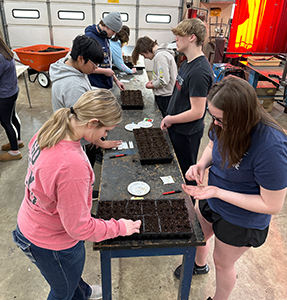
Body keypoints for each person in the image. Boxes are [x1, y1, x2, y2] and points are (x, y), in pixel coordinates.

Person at [12, 89, 141, 300]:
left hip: (31, 223)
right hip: (51, 243)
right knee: (61, 292)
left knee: (67, 279)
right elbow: (79, 228)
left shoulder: (51, 128)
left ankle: (83, 292)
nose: (105, 136)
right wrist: (120, 227)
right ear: (92, 122)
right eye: (105, 130)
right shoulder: (72, 167)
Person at [175, 76, 287, 300]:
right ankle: (198, 265)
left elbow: (272, 205)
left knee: (223, 262)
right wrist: (201, 164)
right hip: (213, 196)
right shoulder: (222, 123)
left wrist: (218, 192)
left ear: (241, 117)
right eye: (213, 117)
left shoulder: (271, 147)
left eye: (220, 119)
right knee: (198, 236)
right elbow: (211, 145)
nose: (215, 123)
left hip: (242, 217)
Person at [50, 35, 121, 168]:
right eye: (94, 65)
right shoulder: (73, 86)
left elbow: (86, 88)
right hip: (77, 140)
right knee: (85, 167)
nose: (96, 69)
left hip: (77, 135)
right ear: (81, 58)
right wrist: (102, 143)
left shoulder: (69, 65)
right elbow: (84, 122)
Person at [160, 18, 214, 186]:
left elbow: (197, 112)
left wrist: (171, 119)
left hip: (187, 133)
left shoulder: (199, 72)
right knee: (176, 170)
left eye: (179, 34)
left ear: (192, 37)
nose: (175, 38)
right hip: (177, 128)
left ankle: (189, 208)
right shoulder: (186, 63)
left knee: (186, 174)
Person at [132, 36, 177, 116]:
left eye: (143, 55)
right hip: (167, 95)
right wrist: (153, 81)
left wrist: (152, 85)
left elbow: (163, 81)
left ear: (147, 50)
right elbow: (163, 76)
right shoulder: (163, 54)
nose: (145, 57)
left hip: (165, 97)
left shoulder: (160, 57)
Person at [85, 12, 125, 91]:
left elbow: (106, 64)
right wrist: (104, 71)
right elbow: (85, 66)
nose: (114, 34)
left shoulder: (105, 37)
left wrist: (116, 80)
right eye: (113, 31)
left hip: (105, 85)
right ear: (106, 26)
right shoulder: (90, 38)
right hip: (94, 86)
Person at [0, 35, 23, 161]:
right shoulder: (6, 52)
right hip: (12, 91)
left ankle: (15, 151)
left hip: (4, 95)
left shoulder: (0, 58)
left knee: (5, 121)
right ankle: (18, 141)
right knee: (12, 116)